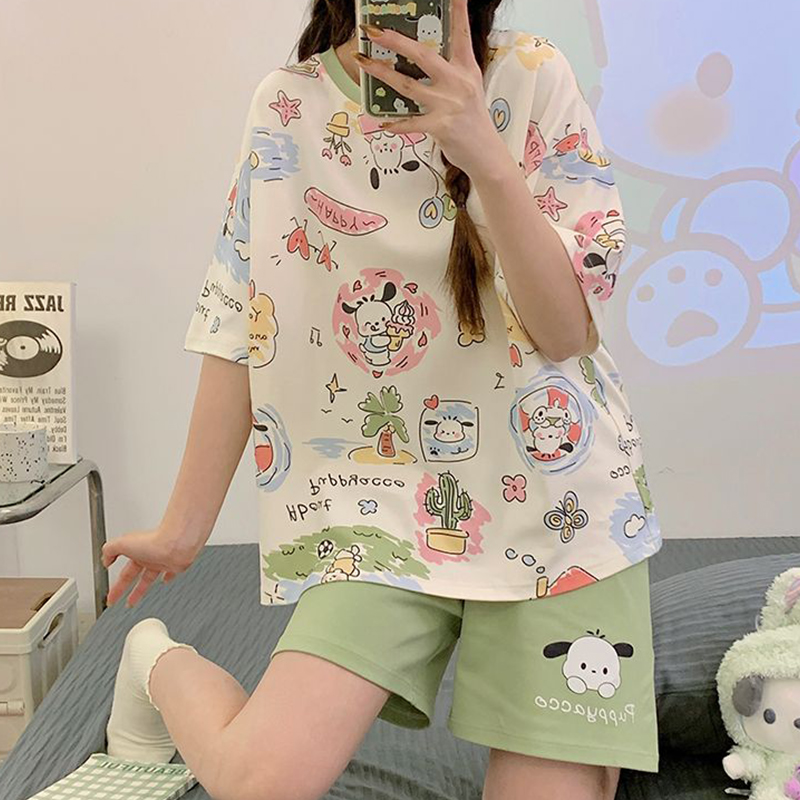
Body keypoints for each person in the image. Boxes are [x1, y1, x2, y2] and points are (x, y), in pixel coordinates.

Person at [102, 1, 663, 798]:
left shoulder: (534, 75)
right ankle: (155, 664)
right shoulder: (287, 105)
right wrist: (180, 530)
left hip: (557, 509)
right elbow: (239, 319)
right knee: (262, 784)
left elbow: (565, 332)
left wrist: (485, 154)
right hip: (378, 503)